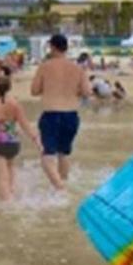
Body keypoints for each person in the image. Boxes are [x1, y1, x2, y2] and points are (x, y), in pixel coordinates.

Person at [30, 34, 91, 191]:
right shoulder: (77, 68)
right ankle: (62, 187)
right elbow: (87, 92)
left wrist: (50, 87)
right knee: (63, 154)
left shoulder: (45, 66)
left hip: (51, 113)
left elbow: (34, 91)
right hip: (71, 115)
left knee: (47, 155)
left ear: (52, 47)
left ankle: (59, 187)